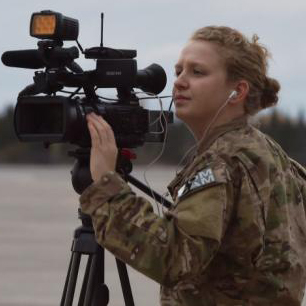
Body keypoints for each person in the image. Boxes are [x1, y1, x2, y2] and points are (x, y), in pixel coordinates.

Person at [80, 26, 306, 305]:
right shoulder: (268, 153)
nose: (179, 82)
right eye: (178, 71)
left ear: (238, 91)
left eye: (197, 72)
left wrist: (107, 186)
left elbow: (173, 257)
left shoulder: (222, 161)